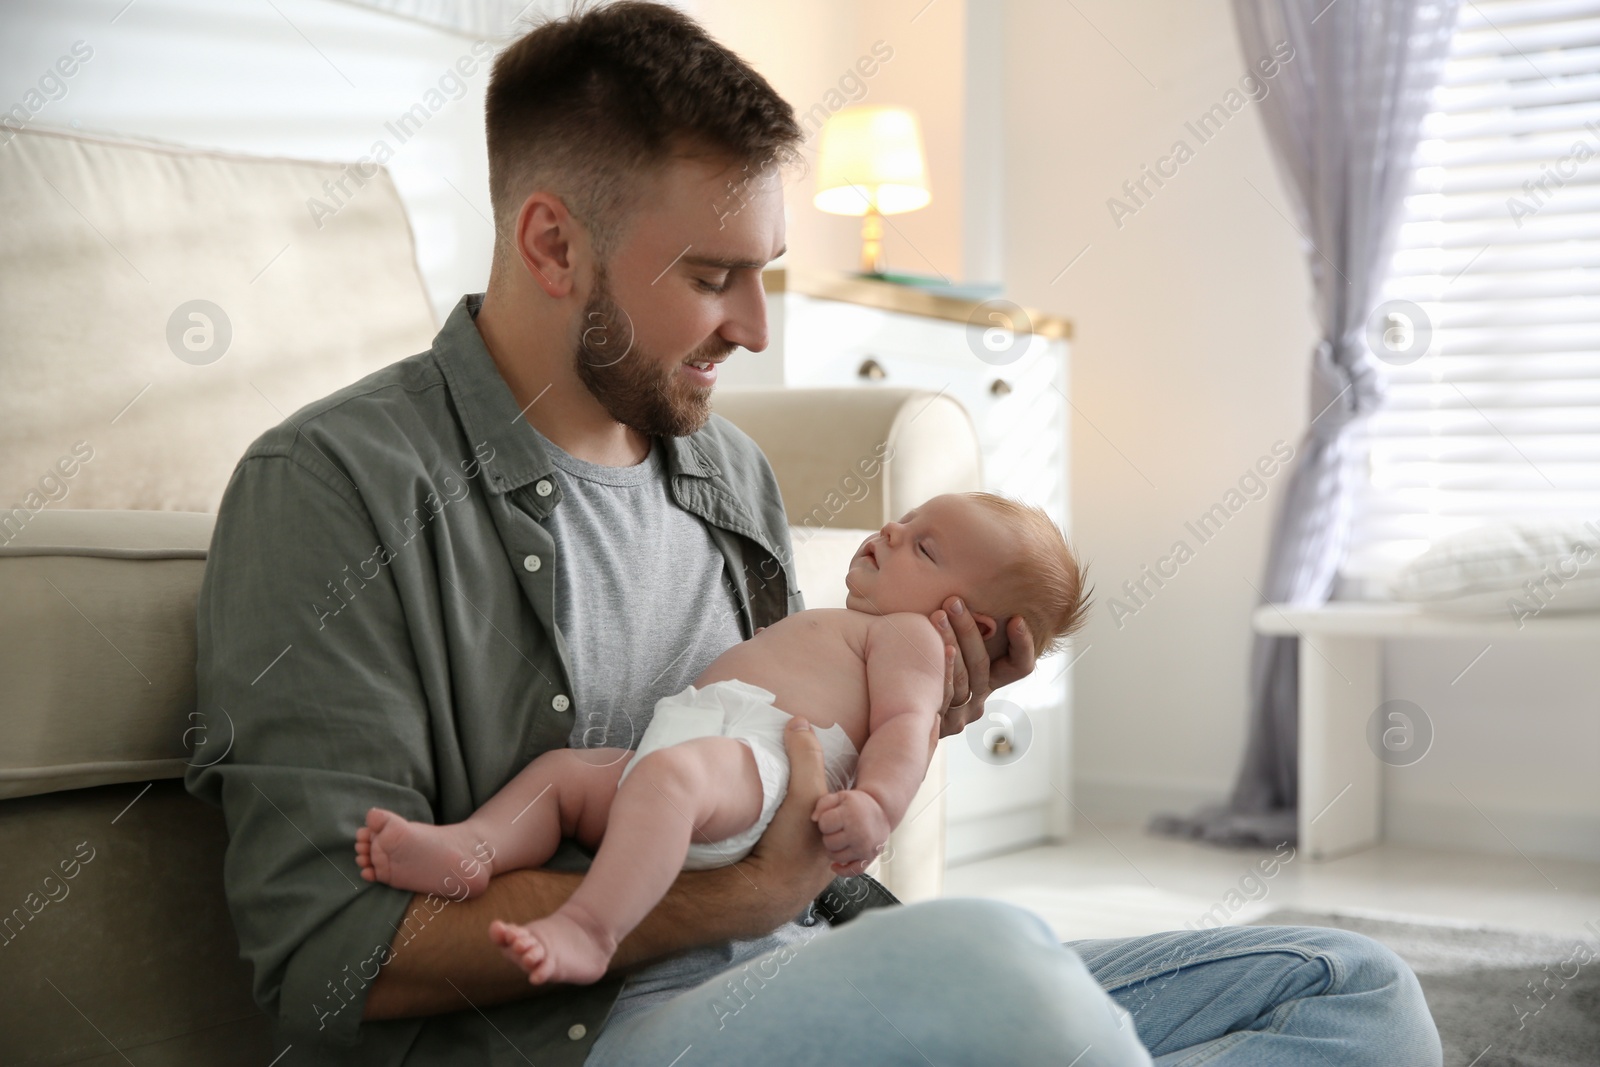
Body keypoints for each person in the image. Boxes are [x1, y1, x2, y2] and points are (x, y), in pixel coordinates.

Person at [186, 2, 1443, 1064]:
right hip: (599, 1028)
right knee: (1000, 964)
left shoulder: (725, 471)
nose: (755, 329)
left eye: (766, 273)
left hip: (802, 969)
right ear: (552, 242)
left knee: (1351, 984)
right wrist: (746, 893)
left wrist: (913, 721)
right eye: (709, 275)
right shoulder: (336, 488)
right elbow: (331, 963)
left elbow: (799, 782)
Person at [355, 492, 1089, 985]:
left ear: (972, 624)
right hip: (696, 750)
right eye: (904, 520)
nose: (891, 532)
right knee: (565, 773)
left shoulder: (911, 640)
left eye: (925, 549)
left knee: (667, 782)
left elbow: (903, 727)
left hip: (763, 764)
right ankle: (473, 849)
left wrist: (875, 804)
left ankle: (589, 927)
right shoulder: (856, 623)